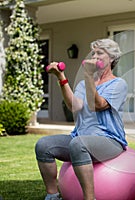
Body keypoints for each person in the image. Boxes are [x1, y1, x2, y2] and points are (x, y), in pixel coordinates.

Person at [35, 38, 128, 200]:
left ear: (112, 58)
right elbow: (74, 106)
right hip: (78, 138)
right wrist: (60, 76)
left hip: (110, 140)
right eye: (93, 53)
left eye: (100, 53)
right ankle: (53, 195)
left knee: (79, 144)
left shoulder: (118, 84)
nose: (95, 56)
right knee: (43, 145)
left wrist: (88, 75)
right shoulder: (85, 83)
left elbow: (97, 105)